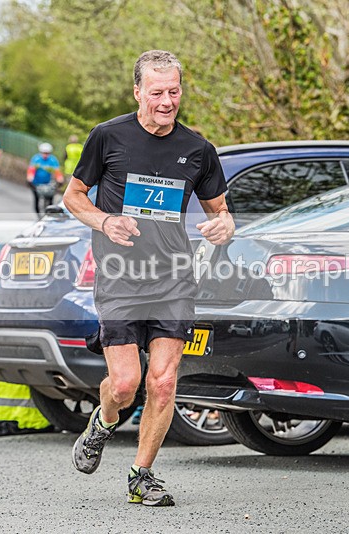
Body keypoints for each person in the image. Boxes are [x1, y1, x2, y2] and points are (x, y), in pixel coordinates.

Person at [63, 50, 234, 506]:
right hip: (120, 277)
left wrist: (224, 226)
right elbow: (73, 196)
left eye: (174, 91)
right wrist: (103, 222)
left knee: (162, 380)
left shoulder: (197, 150)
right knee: (124, 384)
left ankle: (142, 475)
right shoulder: (107, 137)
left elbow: (221, 213)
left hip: (174, 279)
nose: (166, 101)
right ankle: (102, 422)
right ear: (138, 91)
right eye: (156, 92)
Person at [27, 142, 64, 214]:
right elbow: (31, 170)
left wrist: (60, 179)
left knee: (50, 199)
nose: (45, 155)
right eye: (44, 153)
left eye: (47, 153)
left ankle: (49, 215)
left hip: (48, 183)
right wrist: (30, 178)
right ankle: (38, 214)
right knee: (36, 199)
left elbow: (57, 171)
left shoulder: (53, 160)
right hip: (36, 182)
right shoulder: (36, 159)